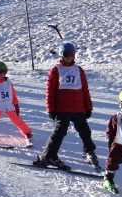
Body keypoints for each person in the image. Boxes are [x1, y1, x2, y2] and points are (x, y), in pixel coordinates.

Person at [33, 41, 98, 170]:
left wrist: (88, 107)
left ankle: (89, 151)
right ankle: (48, 156)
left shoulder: (78, 70)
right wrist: (51, 109)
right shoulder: (56, 70)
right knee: (59, 132)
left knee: (85, 131)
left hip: (78, 107)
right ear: (61, 55)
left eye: (71, 54)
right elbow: (50, 92)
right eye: (66, 54)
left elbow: (85, 90)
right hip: (62, 108)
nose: (69, 57)